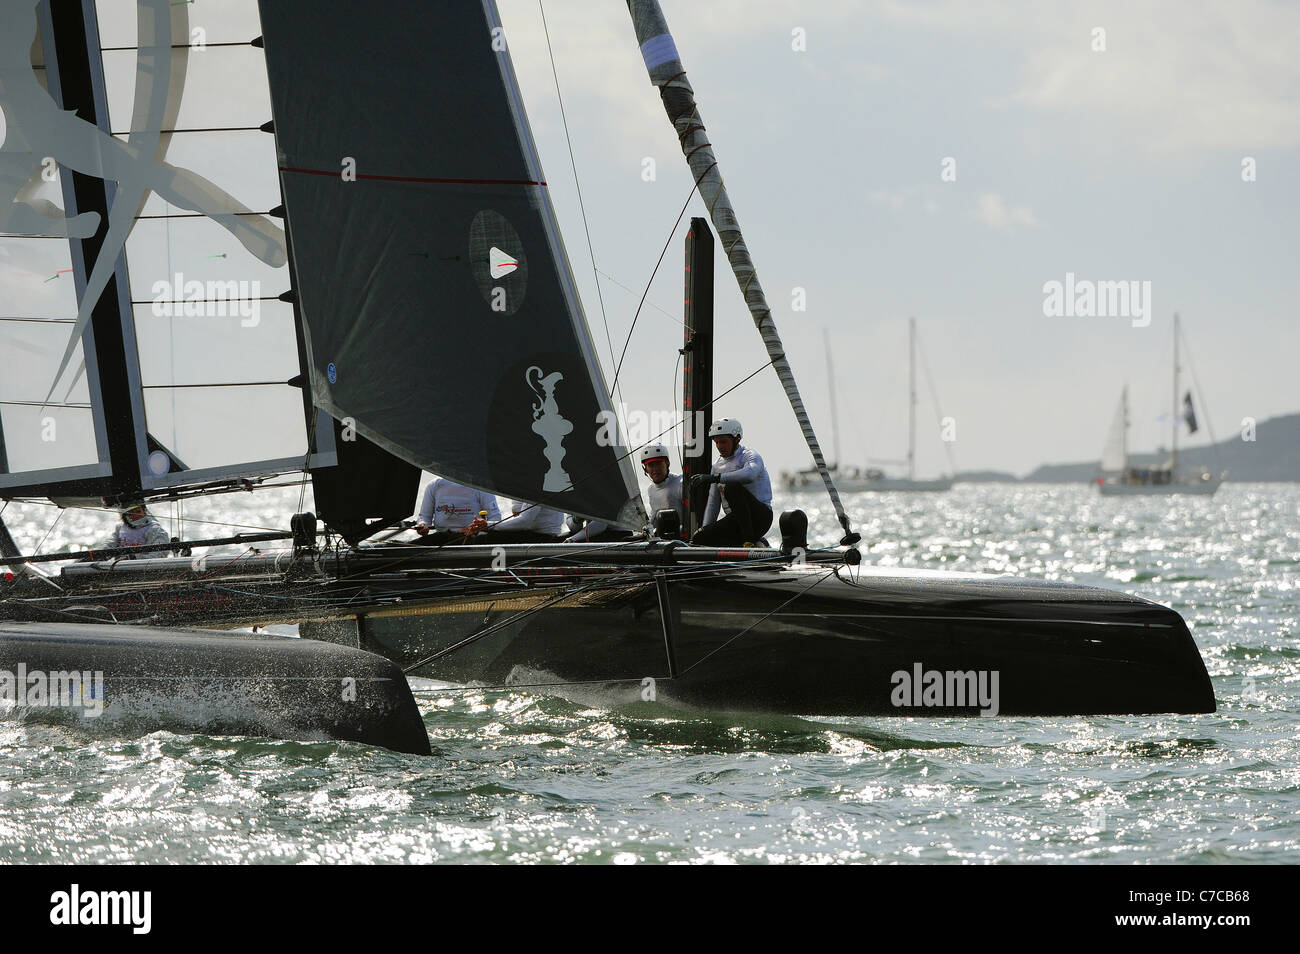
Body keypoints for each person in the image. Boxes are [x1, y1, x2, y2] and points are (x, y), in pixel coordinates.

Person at [689, 419, 773, 547]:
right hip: (736, 521)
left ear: (737, 439)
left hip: (760, 517)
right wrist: (705, 531)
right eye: (716, 442)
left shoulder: (750, 455)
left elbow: (750, 474)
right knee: (699, 538)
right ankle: (755, 543)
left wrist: (715, 478)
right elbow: (713, 504)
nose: (719, 446)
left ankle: (749, 541)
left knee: (732, 487)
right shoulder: (717, 466)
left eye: (723, 441)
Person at [414, 477, 501, 544]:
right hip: (442, 536)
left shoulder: (481, 484)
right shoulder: (434, 484)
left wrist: (481, 530)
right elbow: (424, 516)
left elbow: (495, 518)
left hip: (472, 537)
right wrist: (423, 525)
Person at [94, 501, 170, 556]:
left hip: (142, 568)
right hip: (119, 567)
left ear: (144, 511)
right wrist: (98, 554)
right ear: (125, 516)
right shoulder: (120, 528)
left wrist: (135, 558)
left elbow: (160, 554)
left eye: (138, 511)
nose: (136, 515)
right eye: (131, 513)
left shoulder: (155, 530)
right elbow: (109, 544)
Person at [478, 499, 566, 544]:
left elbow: (524, 522)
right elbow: (517, 511)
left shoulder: (536, 488)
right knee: (486, 535)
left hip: (544, 536)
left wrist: (488, 525)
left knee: (487, 537)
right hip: (534, 533)